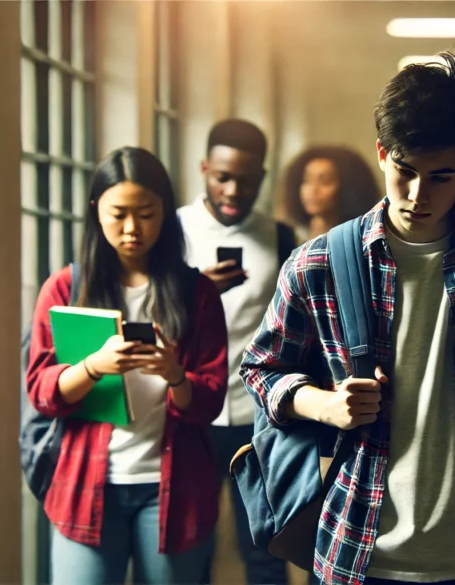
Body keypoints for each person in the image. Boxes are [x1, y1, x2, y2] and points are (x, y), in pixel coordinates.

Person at [241, 50, 455, 585]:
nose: (417, 195)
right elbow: (260, 369)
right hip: (359, 545)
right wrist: (324, 404)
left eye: (440, 177)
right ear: (383, 154)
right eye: (404, 171)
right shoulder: (319, 262)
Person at [25, 147, 228, 584]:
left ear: (166, 213)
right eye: (119, 214)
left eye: (147, 213)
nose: (132, 228)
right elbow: (41, 390)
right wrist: (93, 367)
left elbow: (210, 399)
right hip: (85, 484)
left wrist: (175, 374)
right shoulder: (66, 287)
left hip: (175, 489)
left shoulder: (197, 294)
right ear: (97, 210)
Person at [177, 119, 291, 585]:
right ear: (204, 168)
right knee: (191, 547)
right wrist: (195, 288)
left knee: (264, 546)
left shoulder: (282, 236)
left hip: (257, 416)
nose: (232, 189)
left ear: (262, 178)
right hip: (190, 412)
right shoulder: (173, 229)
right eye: (221, 176)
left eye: (245, 179)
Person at [282, 145, 383, 242]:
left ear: (348, 187)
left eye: (325, 181)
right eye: (307, 180)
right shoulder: (288, 238)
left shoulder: (360, 241)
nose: (313, 190)